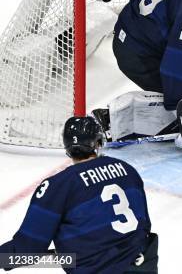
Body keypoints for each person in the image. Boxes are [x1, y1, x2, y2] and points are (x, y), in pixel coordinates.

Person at [0, 116, 157, 273]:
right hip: (141, 267)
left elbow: (27, 250)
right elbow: (143, 227)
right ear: (98, 143)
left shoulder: (58, 186)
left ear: (67, 147)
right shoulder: (127, 170)